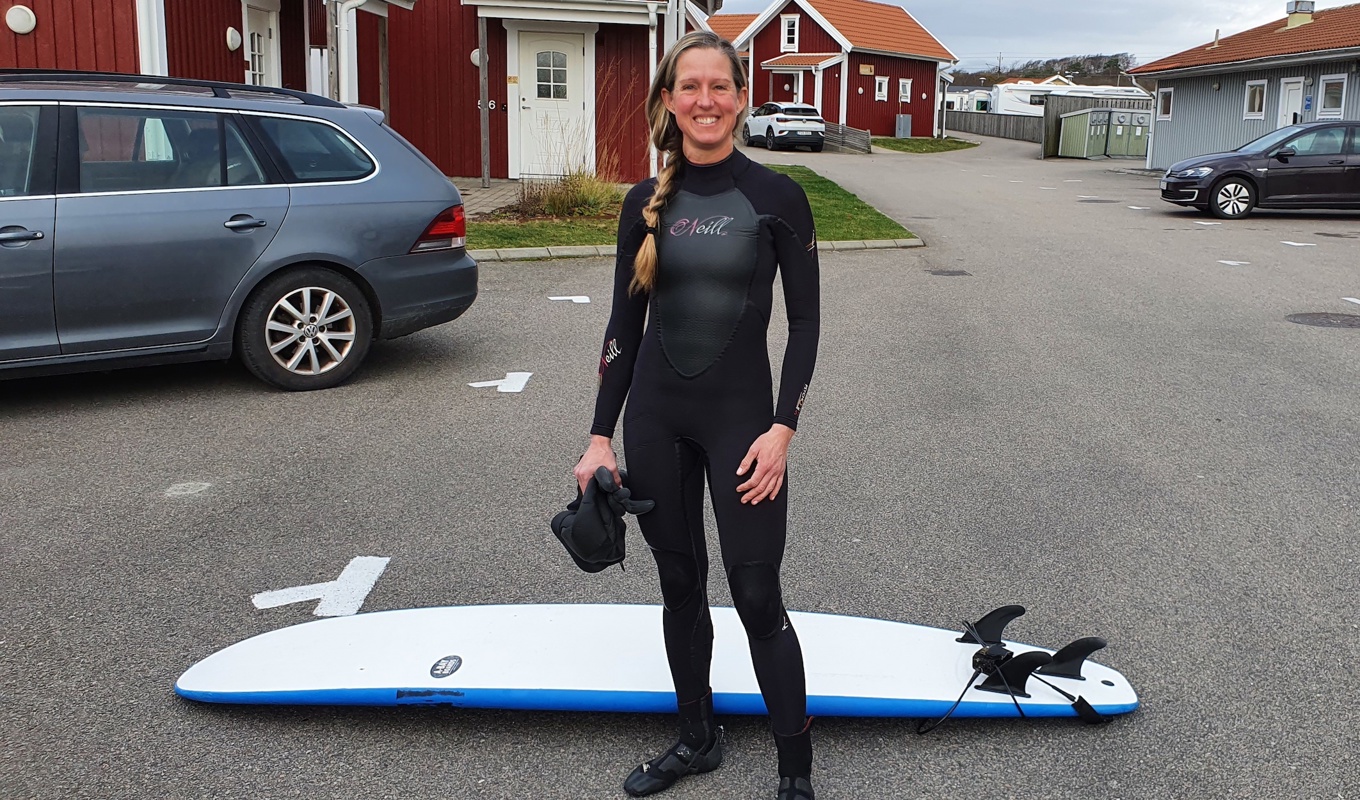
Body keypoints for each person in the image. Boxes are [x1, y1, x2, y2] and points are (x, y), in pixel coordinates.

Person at [573, 30, 820, 800]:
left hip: (743, 424)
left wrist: (783, 430)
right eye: (691, 87)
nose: (706, 101)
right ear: (670, 101)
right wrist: (597, 437)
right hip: (656, 418)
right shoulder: (642, 204)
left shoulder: (778, 197)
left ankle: (795, 775)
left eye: (720, 86)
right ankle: (696, 739)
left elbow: (806, 325)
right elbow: (624, 329)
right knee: (680, 584)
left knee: (756, 594)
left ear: (741, 98)